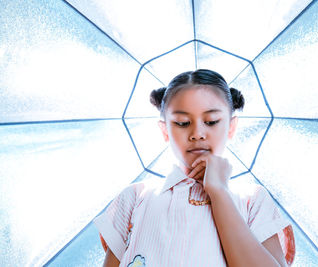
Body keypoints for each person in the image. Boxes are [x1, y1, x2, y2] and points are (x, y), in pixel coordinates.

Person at [94, 69, 295, 267]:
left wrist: (219, 192)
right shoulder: (134, 197)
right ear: (165, 130)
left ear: (231, 127)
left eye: (211, 121)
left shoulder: (253, 200)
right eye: (182, 123)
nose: (197, 133)